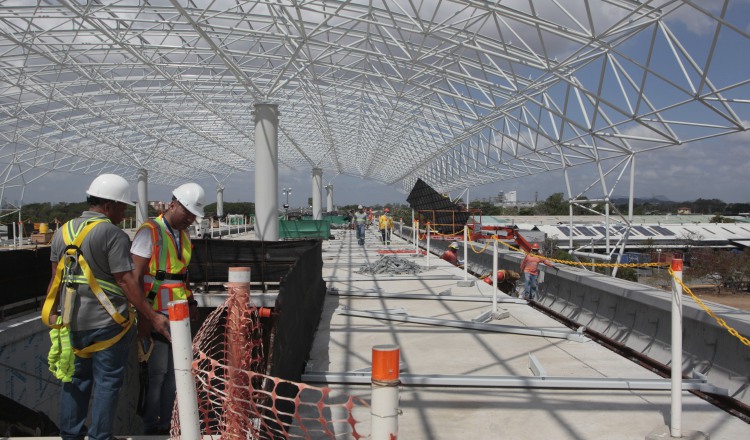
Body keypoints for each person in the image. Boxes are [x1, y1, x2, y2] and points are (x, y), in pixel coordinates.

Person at [43, 174, 170, 440]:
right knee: (107, 383)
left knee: (74, 380)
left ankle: (71, 435)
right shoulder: (112, 234)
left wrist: (52, 312)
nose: (124, 214)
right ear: (109, 205)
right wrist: (152, 317)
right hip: (108, 325)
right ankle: (101, 436)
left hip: (72, 323)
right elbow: (126, 281)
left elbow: (55, 280)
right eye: (123, 208)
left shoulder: (62, 232)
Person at [130, 183, 204, 435]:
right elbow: (135, 276)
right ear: (173, 205)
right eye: (188, 213)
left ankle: (168, 425)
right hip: (156, 315)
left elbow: (182, 274)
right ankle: (152, 426)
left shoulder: (183, 235)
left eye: (194, 216)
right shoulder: (149, 231)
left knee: (177, 374)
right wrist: (144, 318)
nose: (191, 219)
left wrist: (191, 301)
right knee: (158, 373)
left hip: (179, 314)